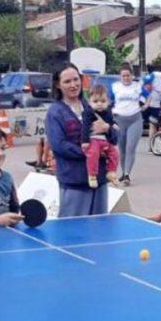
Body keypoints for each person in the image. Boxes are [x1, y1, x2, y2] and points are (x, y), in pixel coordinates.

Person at [46, 63, 111, 217]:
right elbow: (59, 145)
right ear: (57, 85)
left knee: (100, 227)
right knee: (73, 229)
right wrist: (91, 153)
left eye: (76, 79)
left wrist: (108, 128)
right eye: (67, 81)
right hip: (74, 182)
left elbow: (114, 136)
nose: (73, 85)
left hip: (99, 179)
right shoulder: (55, 112)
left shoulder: (92, 106)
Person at [81, 85, 119, 189]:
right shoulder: (88, 113)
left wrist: (113, 125)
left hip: (105, 140)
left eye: (103, 101)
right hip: (94, 139)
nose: (99, 104)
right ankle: (92, 175)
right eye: (95, 101)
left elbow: (110, 122)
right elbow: (85, 127)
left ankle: (111, 172)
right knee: (93, 154)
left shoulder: (108, 112)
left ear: (108, 101)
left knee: (115, 153)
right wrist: (85, 141)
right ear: (90, 102)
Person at [111, 63, 142, 187]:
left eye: (128, 76)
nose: (126, 78)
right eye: (123, 76)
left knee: (130, 147)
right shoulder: (115, 87)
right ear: (120, 76)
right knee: (122, 149)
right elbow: (108, 101)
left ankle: (127, 174)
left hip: (135, 119)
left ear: (132, 75)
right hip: (119, 119)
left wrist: (146, 104)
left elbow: (148, 95)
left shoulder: (138, 86)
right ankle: (123, 173)